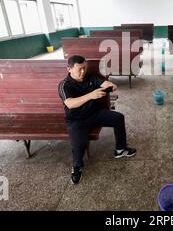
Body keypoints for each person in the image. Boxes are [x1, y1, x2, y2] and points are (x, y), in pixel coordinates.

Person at [58, 55, 136, 184]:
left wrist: (110, 85)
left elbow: (103, 83)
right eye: (79, 69)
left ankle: (120, 149)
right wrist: (91, 95)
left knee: (118, 118)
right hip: (76, 119)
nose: (83, 72)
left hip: (94, 114)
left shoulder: (89, 77)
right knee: (79, 144)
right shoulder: (65, 85)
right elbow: (70, 103)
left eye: (85, 68)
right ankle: (76, 167)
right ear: (69, 69)